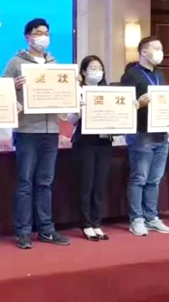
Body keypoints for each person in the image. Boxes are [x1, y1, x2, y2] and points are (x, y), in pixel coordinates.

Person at [3, 18, 71, 249]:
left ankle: (46, 229)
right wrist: (14, 86)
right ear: (28, 37)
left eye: (46, 33)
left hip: (50, 130)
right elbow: (0, 92)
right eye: (38, 33)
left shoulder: (54, 63)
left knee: (45, 182)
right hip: (26, 131)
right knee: (24, 182)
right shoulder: (16, 62)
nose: (43, 37)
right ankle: (23, 232)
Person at [120, 36, 169, 236]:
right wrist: (138, 104)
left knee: (154, 179)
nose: (160, 52)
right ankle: (137, 219)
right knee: (139, 178)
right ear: (143, 51)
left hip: (161, 134)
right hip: (141, 134)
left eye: (161, 48)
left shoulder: (160, 75)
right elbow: (122, 106)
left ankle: (152, 217)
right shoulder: (131, 76)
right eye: (156, 48)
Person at [69, 56, 113, 241]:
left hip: (104, 142)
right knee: (86, 184)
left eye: (99, 68)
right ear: (84, 72)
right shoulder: (78, 91)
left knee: (100, 184)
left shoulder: (108, 92)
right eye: (92, 68)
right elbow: (70, 119)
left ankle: (97, 222)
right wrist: (79, 109)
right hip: (84, 142)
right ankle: (86, 224)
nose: (97, 71)